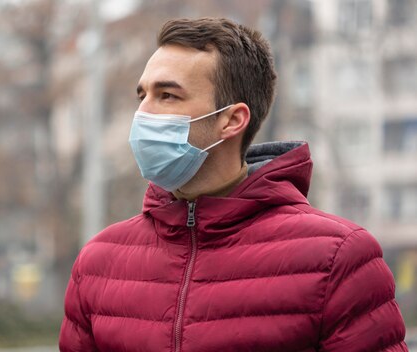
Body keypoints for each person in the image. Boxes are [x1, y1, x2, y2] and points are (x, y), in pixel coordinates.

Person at [59, 17, 407, 351]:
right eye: (142, 96)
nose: (144, 113)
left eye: (167, 95)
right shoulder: (98, 263)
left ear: (232, 120)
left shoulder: (338, 258)